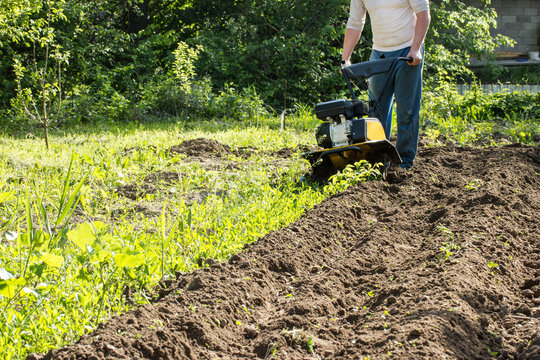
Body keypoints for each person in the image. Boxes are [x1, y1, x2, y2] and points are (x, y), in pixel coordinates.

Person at [342, 0, 431, 169]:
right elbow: (355, 22)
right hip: (379, 54)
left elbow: (423, 14)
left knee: (407, 110)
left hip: (408, 51)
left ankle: (403, 162)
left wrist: (416, 48)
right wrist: (345, 58)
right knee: (376, 110)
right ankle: (378, 159)